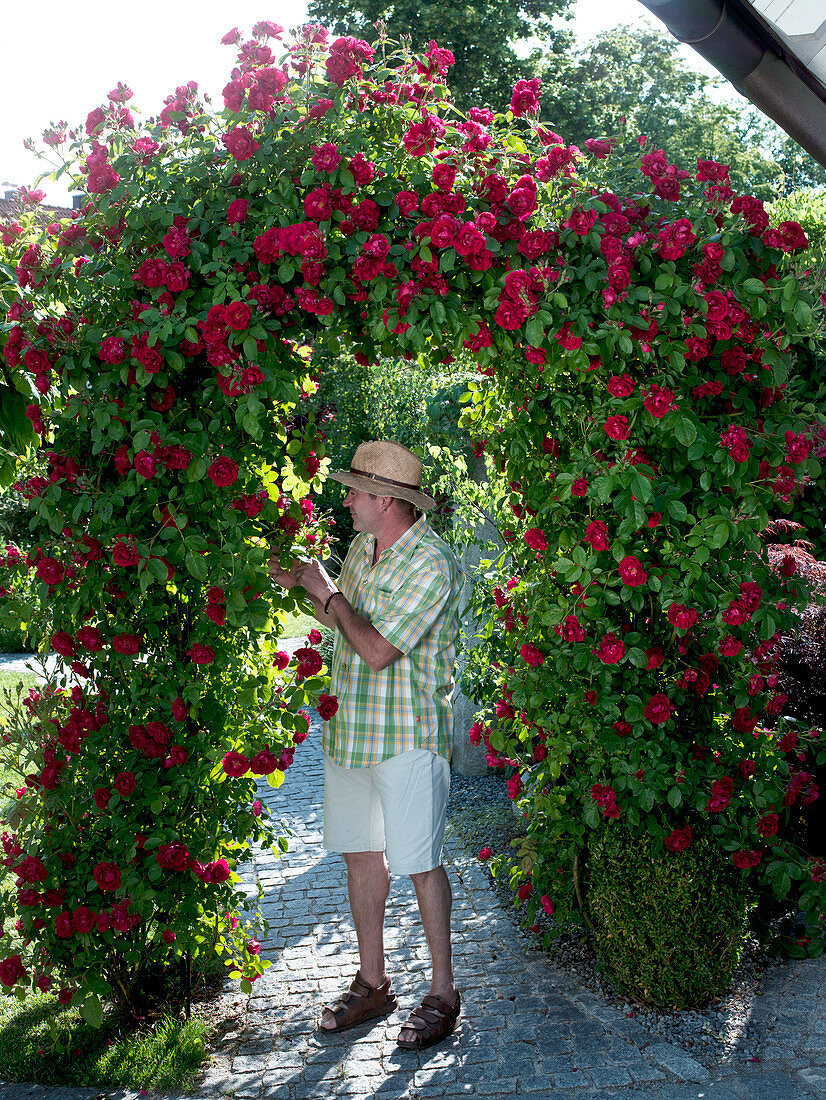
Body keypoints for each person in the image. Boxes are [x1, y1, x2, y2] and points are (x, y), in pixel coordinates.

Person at [269, 440, 462, 1050]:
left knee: (421, 864)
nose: (346, 498)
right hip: (352, 731)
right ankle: (374, 985)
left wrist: (328, 594)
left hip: (407, 735)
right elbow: (344, 622)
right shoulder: (362, 547)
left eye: (355, 490)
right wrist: (305, 583)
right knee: (360, 855)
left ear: (385, 500)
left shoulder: (431, 561)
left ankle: (443, 992)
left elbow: (377, 650)